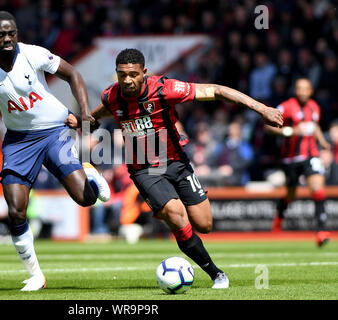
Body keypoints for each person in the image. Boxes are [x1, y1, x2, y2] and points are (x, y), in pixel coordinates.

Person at [65, 48, 283, 288]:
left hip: (177, 163)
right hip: (145, 169)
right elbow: (95, 119)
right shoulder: (112, 96)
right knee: (176, 215)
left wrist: (262, 109)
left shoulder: (164, 89)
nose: (127, 80)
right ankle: (216, 274)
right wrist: (80, 121)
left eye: (133, 74)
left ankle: (177, 227)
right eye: (122, 75)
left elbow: (218, 91)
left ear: (144, 73)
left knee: (204, 224)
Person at [0, 11, 110, 291]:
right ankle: (36, 275)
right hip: (19, 142)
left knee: (85, 199)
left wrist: (84, 113)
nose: (7, 39)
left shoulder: (34, 54)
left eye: (11, 33)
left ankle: (89, 173)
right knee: (16, 211)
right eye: (1, 34)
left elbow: (73, 74)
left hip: (55, 131)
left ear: (16, 33)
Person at [265, 78, 331, 246]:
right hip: (291, 159)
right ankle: (280, 215)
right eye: (299, 88)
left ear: (310, 91)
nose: (302, 92)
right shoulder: (286, 106)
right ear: (295, 90)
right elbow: (267, 125)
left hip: (311, 155)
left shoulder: (315, 107)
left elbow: (314, 126)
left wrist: (322, 141)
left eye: (305, 89)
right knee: (291, 195)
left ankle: (321, 231)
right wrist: (289, 131)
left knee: (318, 188)